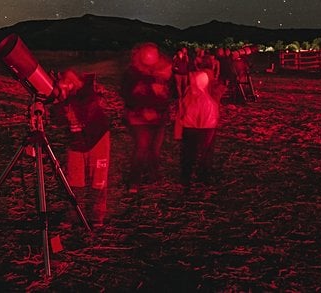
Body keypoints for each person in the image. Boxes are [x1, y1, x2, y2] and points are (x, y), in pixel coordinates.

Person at [50, 68, 111, 227]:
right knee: (74, 179)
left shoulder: (88, 91)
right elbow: (58, 121)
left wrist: (65, 99)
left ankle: (96, 216)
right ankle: (72, 215)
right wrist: (58, 100)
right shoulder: (63, 97)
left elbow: (86, 111)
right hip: (76, 140)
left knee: (98, 179)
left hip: (97, 138)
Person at [121, 42, 173, 193]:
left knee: (154, 149)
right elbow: (127, 95)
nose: (150, 58)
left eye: (153, 55)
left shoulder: (164, 70)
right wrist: (143, 107)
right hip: (139, 118)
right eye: (147, 55)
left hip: (159, 116)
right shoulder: (132, 73)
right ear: (141, 55)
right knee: (142, 147)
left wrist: (163, 94)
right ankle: (134, 181)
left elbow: (170, 93)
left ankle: (154, 176)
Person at [178, 70, 221, 189]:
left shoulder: (189, 96)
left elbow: (183, 112)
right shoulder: (205, 99)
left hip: (192, 127)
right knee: (202, 152)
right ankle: (201, 175)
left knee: (189, 152)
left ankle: (188, 175)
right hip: (205, 127)